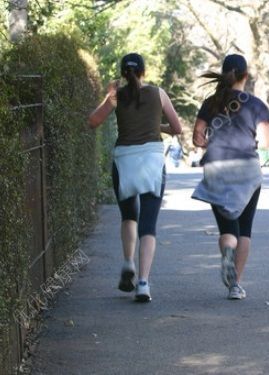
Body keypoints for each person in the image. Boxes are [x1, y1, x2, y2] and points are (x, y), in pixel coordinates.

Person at [88, 53, 182, 302]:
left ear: (122, 73)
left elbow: (93, 121)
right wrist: (157, 127)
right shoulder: (158, 93)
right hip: (152, 160)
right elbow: (177, 128)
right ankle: (143, 283)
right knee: (148, 224)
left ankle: (128, 261)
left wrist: (108, 96)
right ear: (144, 71)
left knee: (129, 216)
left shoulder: (117, 95)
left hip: (124, 161)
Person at [191, 54, 269, 300]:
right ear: (245, 76)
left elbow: (197, 137)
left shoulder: (211, 103)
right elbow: (266, 141)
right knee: (244, 230)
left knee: (228, 228)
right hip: (247, 168)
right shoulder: (257, 105)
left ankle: (227, 250)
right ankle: (236, 285)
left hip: (217, 167)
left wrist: (210, 143)